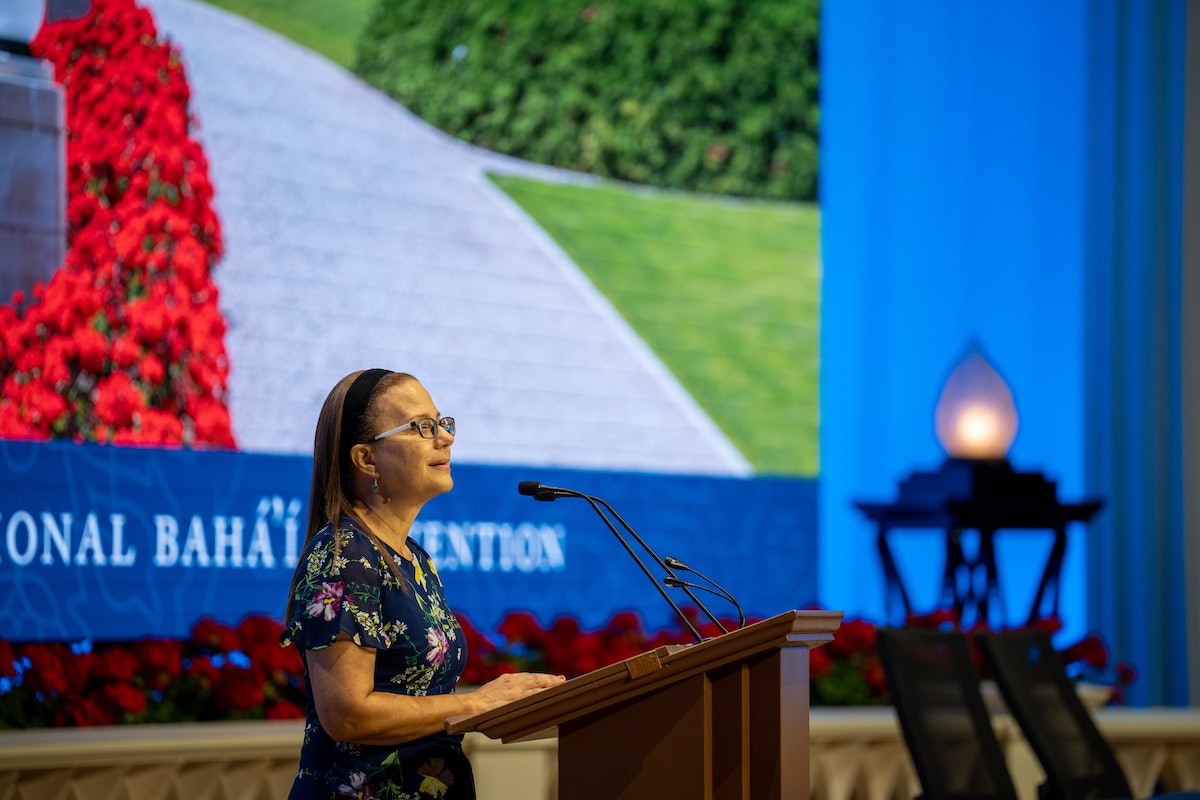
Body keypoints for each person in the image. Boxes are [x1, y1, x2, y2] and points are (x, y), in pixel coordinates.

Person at [280, 368, 564, 799]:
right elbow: (348, 714)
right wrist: (477, 703)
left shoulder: (414, 559)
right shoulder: (345, 554)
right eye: (422, 427)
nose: (445, 438)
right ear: (367, 459)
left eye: (442, 423)